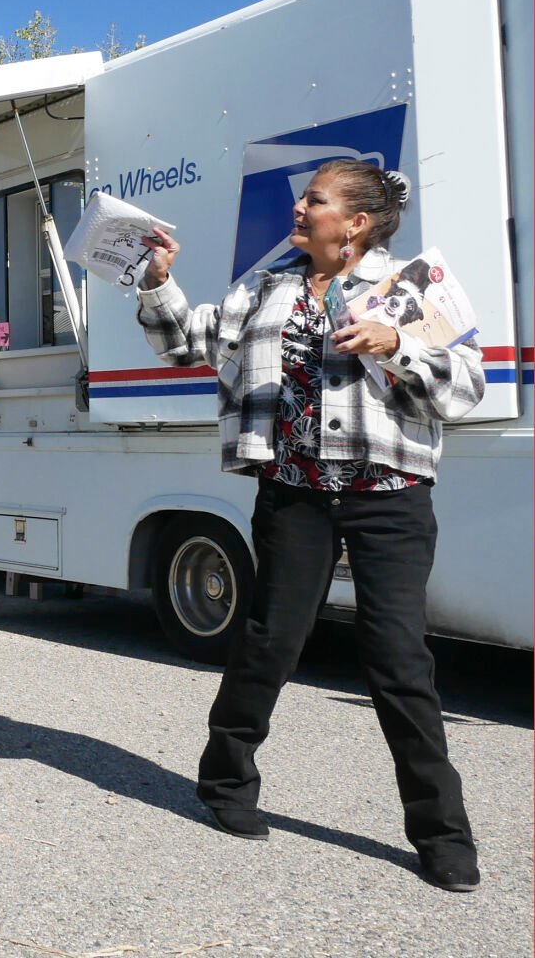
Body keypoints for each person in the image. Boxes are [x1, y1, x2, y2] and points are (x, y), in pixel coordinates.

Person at [136, 159, 484, 892]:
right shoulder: (270, 286)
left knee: (397, 659)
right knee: (270, 641)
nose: (299, 207)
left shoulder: (412, 285)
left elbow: (470, 385)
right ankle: (226, 784)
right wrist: (158, 280)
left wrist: (400, 348)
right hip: (295, 493)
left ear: (355, 222)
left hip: (389, 497)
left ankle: (442, 833)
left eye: (315, 199)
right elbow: (185, 343)